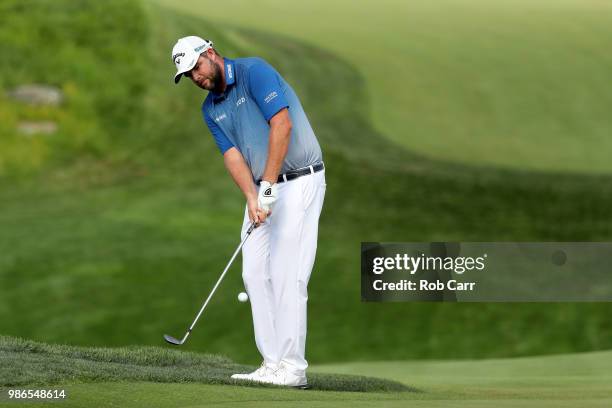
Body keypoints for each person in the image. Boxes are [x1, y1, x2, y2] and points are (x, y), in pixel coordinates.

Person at [171, 36, 326, 387]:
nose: (196, 78)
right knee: (254, 273)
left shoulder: (254, 70)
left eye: (196, 67)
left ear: (210, 54)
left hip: (300, 181)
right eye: (188, 75)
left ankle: (293, 368)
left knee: (288, 273)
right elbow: (233, 155)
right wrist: (253, 196)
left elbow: (281, 125)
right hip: (263, 189)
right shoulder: (210, 109)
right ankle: (272, 364)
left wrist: (268, 183)